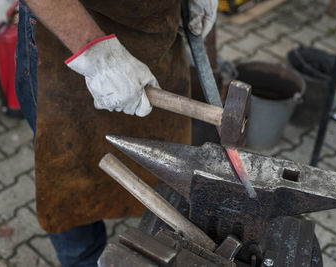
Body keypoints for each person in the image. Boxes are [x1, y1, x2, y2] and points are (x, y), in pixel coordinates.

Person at [15, 0, 218, 266]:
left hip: (157, 31)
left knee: (167, 170)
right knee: (71, 175)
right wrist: (97, 56)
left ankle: (163, 248)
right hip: (70, 37)